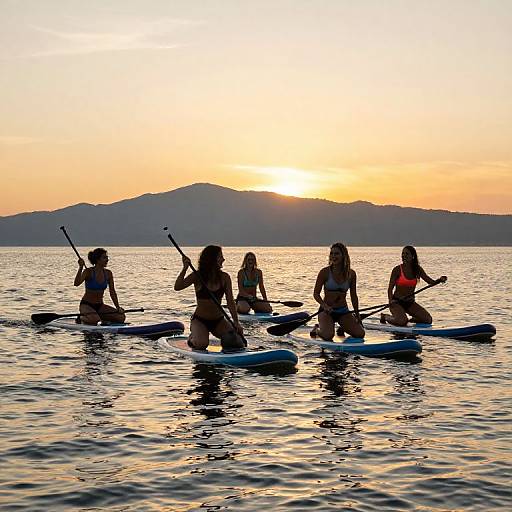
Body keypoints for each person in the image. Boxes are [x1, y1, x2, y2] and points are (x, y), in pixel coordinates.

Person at [174, 245, 245, 351]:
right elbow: (178, 287)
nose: (223, 259)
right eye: (220, 256)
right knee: (202, 344)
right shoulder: (197, 276)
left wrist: (236, 322)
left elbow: (230, 301)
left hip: (218, 321)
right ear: (211, 259)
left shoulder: (225, 277)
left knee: (234, 341)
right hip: (200, 320)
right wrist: (185, 268)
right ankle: (192, 338)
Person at [380, 245, 447, 326]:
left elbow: (430, 282)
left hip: (410, 303)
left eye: (407, 254)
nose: (404, 256)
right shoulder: (397, 270)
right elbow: (390, 289)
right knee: (402, 322)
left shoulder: (418, 269)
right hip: (396, 302)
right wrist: (391, 302)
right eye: (403, 254)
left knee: (428, 319)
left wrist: (440, 280)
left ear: (413, 256)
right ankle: (385, 317)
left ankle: (411, 319)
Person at [311, 242, 365, 340]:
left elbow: (354, 297)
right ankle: (316, 329)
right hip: (326, 311)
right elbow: (316, 294)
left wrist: (357, 316)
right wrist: (324, 306)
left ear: (344, 255)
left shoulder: (351, 274)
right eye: (331, 254)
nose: (333, 256)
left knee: (360, 334)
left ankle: (342, 326)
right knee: (328, 336)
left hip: (343, 311)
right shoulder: (324, 272)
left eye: (336, 254)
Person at [74, 248, 125, 325]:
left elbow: (112, 292)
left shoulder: (108, 273)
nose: (107, 260)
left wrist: (118, 307)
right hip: (87, 305)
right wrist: (80, 267)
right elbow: (76, 283)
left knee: (121, 317)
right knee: (94, 320)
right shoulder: (88, 272)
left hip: (100, 306)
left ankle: (98, 316)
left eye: (107, 257)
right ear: (97, 260)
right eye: (104, 257)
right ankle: (81, 317)